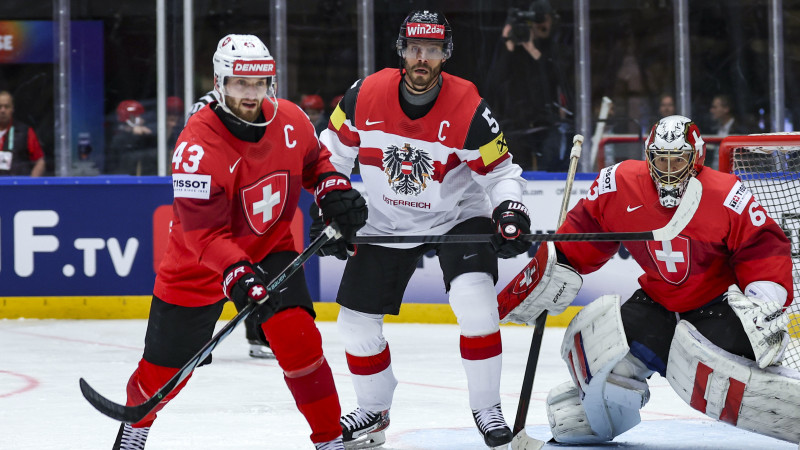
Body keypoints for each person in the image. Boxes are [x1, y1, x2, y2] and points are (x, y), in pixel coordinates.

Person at [111, 34, 367, 450]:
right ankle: (137, 425)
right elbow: (203, 235)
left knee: (301, 342)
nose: (251, 94)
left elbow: (315, 163)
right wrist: (238, 275)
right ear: (219, 82)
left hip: (270, 249)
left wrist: (332, 189)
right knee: (165, 372)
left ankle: (330, 441)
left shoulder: (292, 119)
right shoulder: (196, 146)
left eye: (260, 83)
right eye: (239, 84)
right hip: (198, 266)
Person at [503, 115, 795, 446]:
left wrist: (763, 298)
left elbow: (763, 246)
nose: (669, 167)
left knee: (744, 365)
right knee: (606, 365)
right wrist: (562, 260)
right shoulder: (619, 183)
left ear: (696, 157)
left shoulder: (727, 194)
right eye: (661, 158)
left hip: (716, 308)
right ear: (648, 155)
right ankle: (608, 411)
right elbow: (588, 229)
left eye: (678, 158)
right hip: (657, 303)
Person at [317, 10, 531, 450]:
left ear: (445, 54)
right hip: (386, 217)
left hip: (456, 213)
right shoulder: (363, 94)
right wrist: (332, 204)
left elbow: (500, 171)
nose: (422, 58)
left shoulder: (469, 106)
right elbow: (329, 154)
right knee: (355, 323)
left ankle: (487, 407)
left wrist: (509, 208)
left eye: (432, 50)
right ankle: (374, 412)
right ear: (402, 50)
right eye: (415, 48)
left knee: (475, 302)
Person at [484, 0, 572, 171]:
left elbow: (555, 80)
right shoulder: (510, 51)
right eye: (536, 23)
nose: (540, 26)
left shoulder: (554, 50)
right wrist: (507, 44)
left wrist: (532, 49)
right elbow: (493, 84)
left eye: (544, 21)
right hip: (512, 126)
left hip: (546, 124)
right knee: (499, 164)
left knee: (552, 163)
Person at [0, 90, 45, 176]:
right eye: (0, 106)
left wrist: (30, 183)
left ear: (12, 109)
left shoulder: (25, 132)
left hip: (16, 186)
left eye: (6, 106)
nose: (2, 110)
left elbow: (40, 161)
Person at [106, 99, 157, 175]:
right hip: (124, 179)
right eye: (139, 116)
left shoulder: (144, 136)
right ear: (130, 118)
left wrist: (148, 135)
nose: (143, 120)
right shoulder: (118, 138)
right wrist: (133, 135)